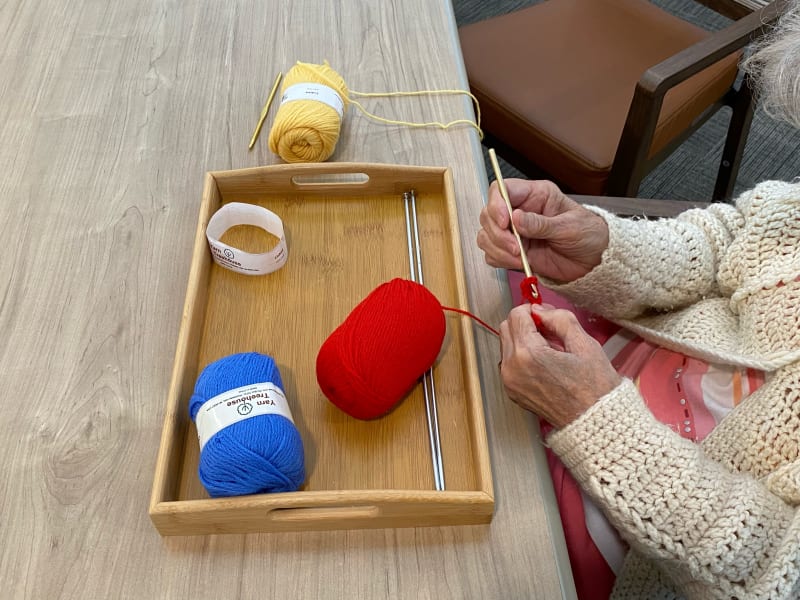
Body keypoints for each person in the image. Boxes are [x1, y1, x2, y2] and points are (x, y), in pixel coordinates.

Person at [477, 3, 800, 599]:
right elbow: (723, 242)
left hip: (648, 517)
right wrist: (604, 247)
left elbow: (776, 574)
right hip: (614, 364)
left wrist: (597, 422)